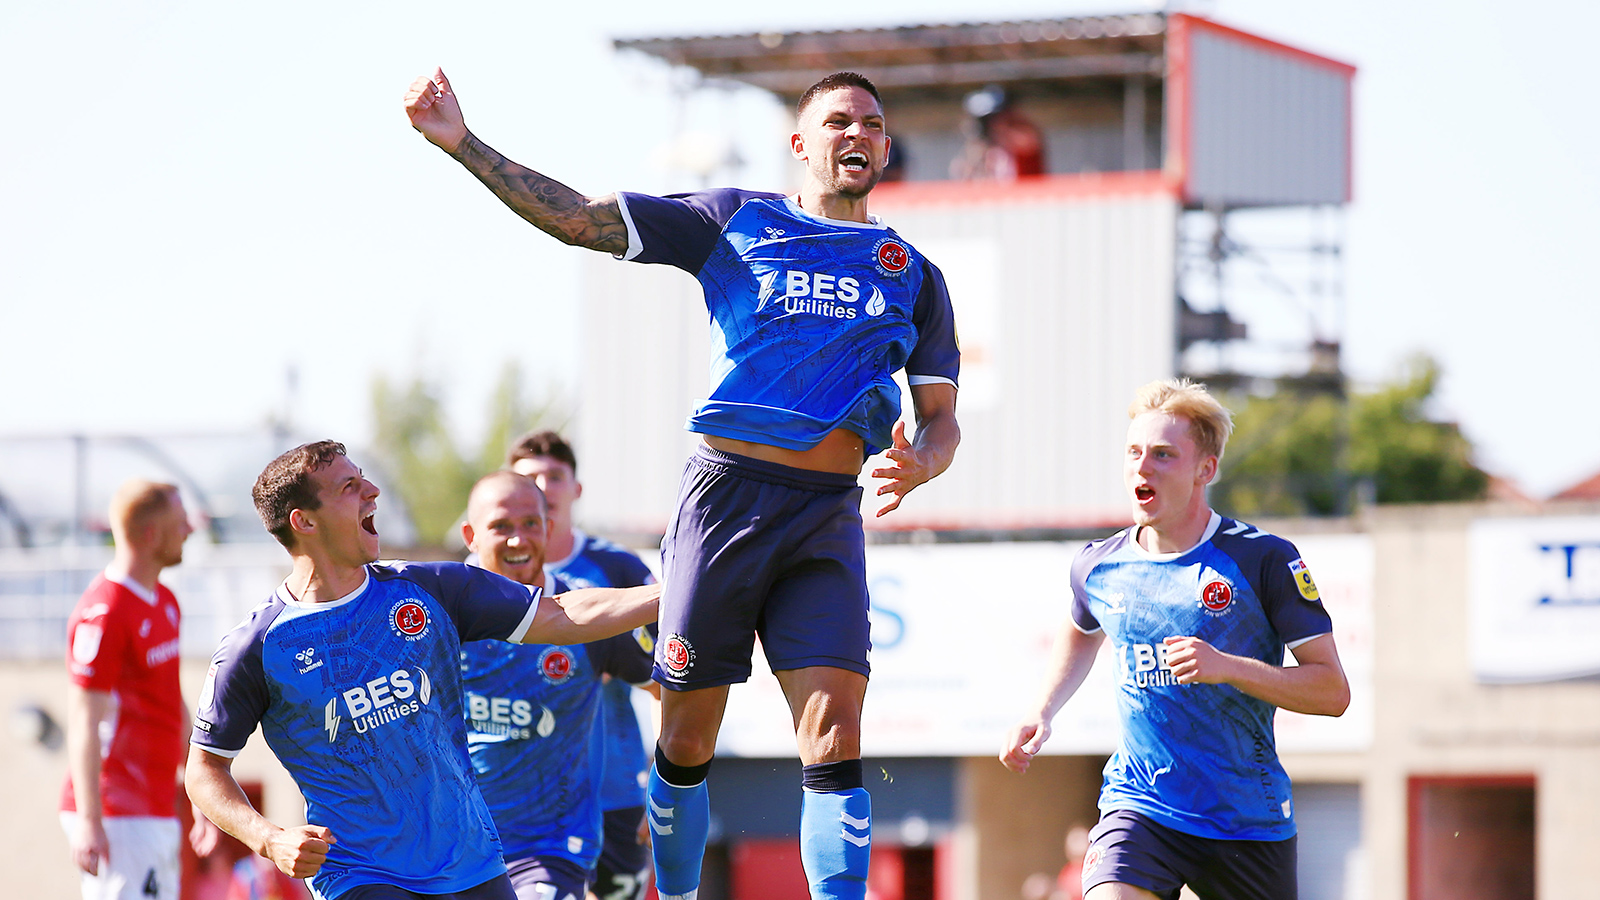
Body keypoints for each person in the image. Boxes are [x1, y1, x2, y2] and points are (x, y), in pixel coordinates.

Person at [405, 68, 961, 900]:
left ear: (886, 146)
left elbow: (943, 419)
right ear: (800, 143)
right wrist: (462, 145)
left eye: (874, 124)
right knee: (688, 739)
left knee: (837, 730)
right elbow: (578, 221)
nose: (859, 134)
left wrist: (926, 459)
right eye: (839, 120)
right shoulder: (737, 221)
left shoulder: (911, 272)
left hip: (826, 518)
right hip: (725, 501)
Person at [185, 441, 660, 900]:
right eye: (350, 486)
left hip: (470, 861)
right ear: (304, 520)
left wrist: (679, 591)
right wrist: (269, 838)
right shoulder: (257, 647)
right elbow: (205, 769)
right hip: (360, 871)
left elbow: (560, 614)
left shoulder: (429, 589)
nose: (372, 492)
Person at [1000, 380, 1350, 900]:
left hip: (1245, 819)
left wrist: (1228, 666)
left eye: (1164, 455)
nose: (1143, 467)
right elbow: (1080, 634)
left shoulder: (1264, 561)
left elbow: (1332, 693)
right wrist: (1042, 709)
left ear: (1204, 470)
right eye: (1135, 452)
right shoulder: (1099, 566)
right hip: (1139, 803)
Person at [459, 470, 656, 900]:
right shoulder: (441, 614)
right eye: (501, 526)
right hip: (456, 846)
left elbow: (673, 690)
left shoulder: (589, 617)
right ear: (471, 535)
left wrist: (671, 784)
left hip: (550, 848)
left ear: (549, 529)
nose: (517, 539)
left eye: (531, 524)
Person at [62, 479, 196, 900]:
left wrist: (202, 791)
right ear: (151, 534)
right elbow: (84, 721)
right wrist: (90, 820)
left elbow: (171, 701)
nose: (190, 529)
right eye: (180, 522)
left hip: (156, 803)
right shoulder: (105, 613)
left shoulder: (166, 600)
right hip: (117, 810)